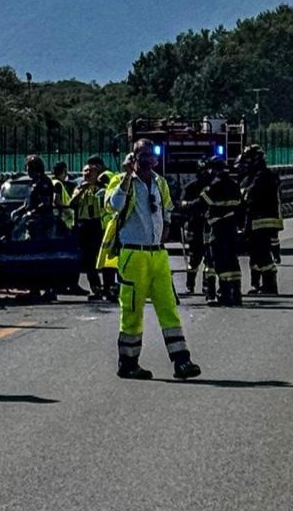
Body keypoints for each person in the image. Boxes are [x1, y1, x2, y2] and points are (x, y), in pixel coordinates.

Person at [106, 139, 201, 380]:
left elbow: (167, 210)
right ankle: (128, 363)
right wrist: (128, 176)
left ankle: (182, 361)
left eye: (151, 155)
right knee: (132, 310)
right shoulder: (120, 180)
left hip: (157, 254)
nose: (147, 159)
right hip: (133, 254)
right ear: (133, 157)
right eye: (142, 155)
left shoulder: (160, 183)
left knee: (168, 307)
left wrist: (165, 231)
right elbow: (114, 206)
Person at [184, 158, 243, 306]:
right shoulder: (234, 185)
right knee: (233, 261)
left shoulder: (215, 185)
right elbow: (242, 206)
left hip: (217, 228)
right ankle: (236, 294)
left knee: (219, 262)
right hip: (232, 228)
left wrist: (184, 206)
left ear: (214, 169)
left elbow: (200, 203)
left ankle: (225, 294)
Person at [239, 146, 282, 295]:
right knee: (255, 255)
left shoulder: (262, 176)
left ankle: (270, 285)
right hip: (257, 221)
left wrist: (242, 195)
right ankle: (257, 285)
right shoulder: (257, 176)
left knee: (261, 253)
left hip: (261, 221)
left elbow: (250, 196)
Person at [71, 164, 108, 301]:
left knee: (102, 258)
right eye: (85, 171)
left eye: (90, 171)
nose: (87, 173)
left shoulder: (102, 188)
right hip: (84, 225)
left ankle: (109, 287)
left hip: (98, 225)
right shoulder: (79, 188)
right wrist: (81, 191)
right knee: (88, 260)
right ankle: (96, 287)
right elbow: (72, 204)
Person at [180, 163, 216, 295]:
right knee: (194, 258)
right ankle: (190, 285)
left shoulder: (213, 187)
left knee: (209, 259)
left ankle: (207, 286)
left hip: (209, 225)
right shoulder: (191, 187)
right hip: (195, 225)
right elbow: (183, 204)